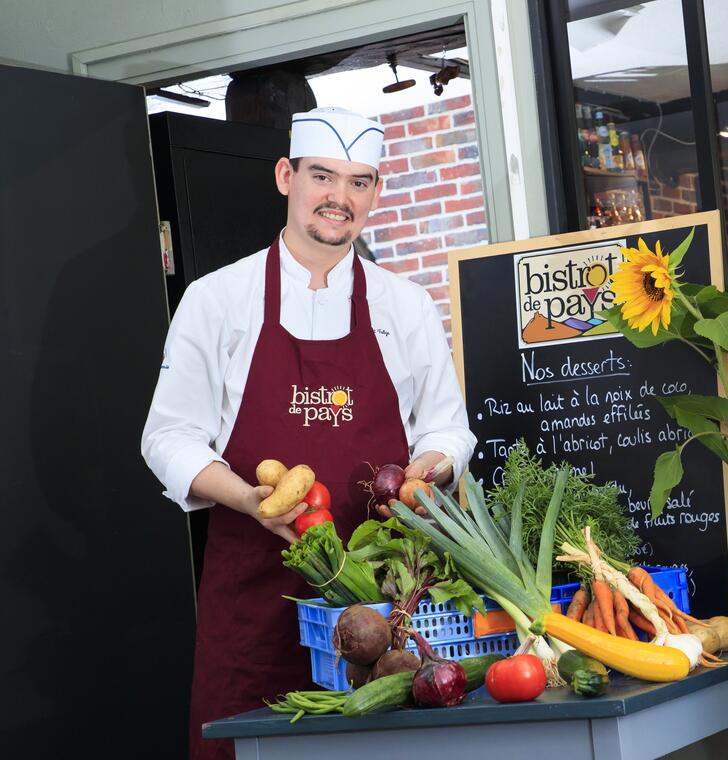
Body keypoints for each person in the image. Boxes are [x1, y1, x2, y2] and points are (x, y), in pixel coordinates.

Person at [141, 106, 476, 759]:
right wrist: (247, 499)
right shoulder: (218, 300)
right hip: (255, 607)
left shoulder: (405, 306)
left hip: (383, 616)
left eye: (359, 182)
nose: (339, 199)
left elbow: (447, 426)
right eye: (323, 177)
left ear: (376, 193)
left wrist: (425, 472)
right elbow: (169, 437)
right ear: (285, 176)